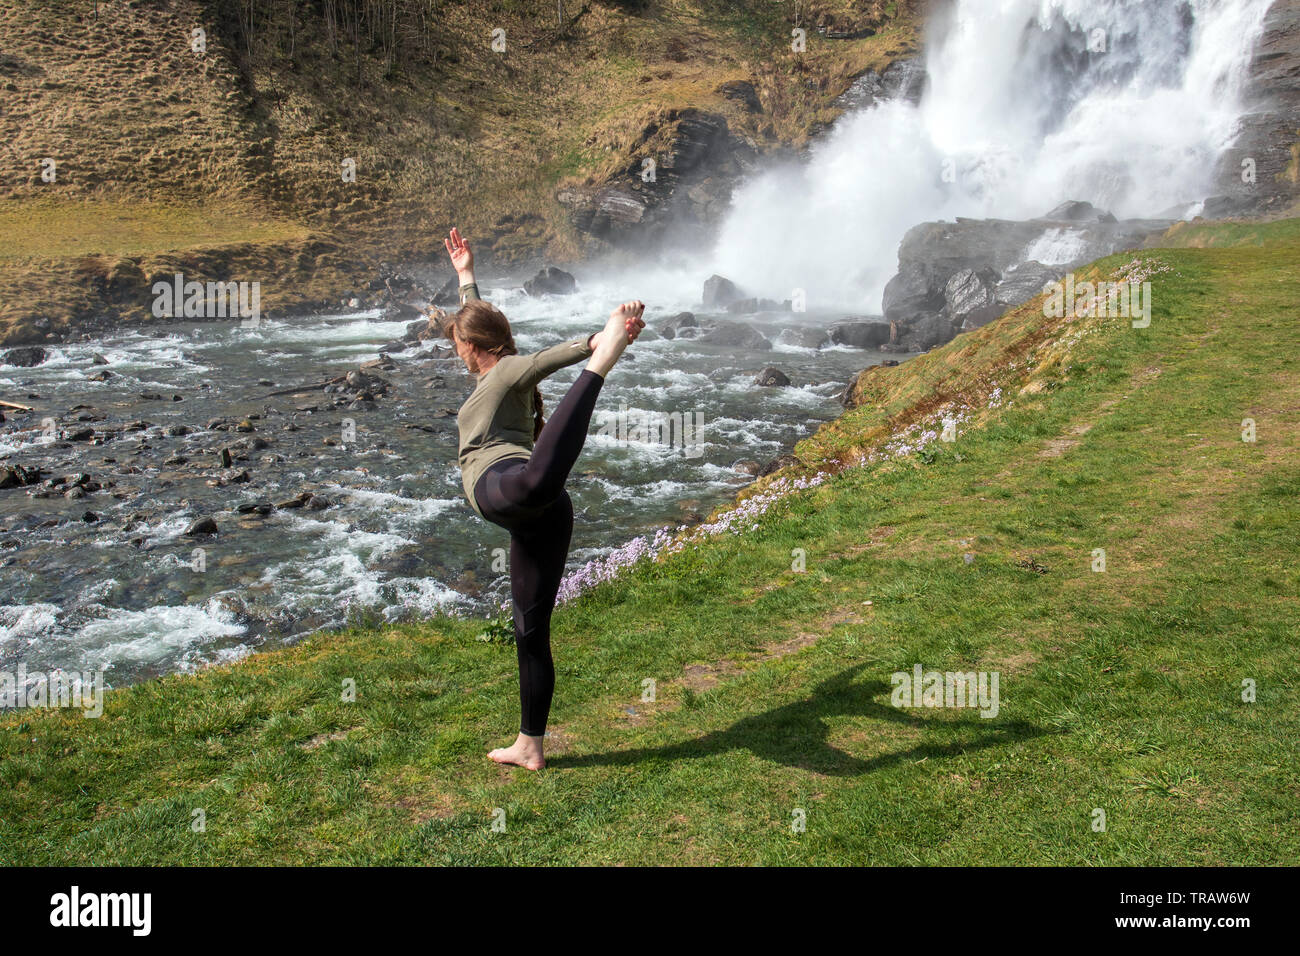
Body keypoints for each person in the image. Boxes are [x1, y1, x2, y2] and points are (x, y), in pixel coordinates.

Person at [442, 227, 645, 770]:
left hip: (505, 485)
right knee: (530, 627)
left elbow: (536, 360)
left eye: (456, 343)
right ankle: (529, 744)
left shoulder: (506, 369)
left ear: (471, 348)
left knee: (535, 482)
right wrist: (466, 276)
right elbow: (478, 323)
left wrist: (595, 347)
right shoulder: (493, 367)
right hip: (543, 513)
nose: (454, 349)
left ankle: (600, 370)